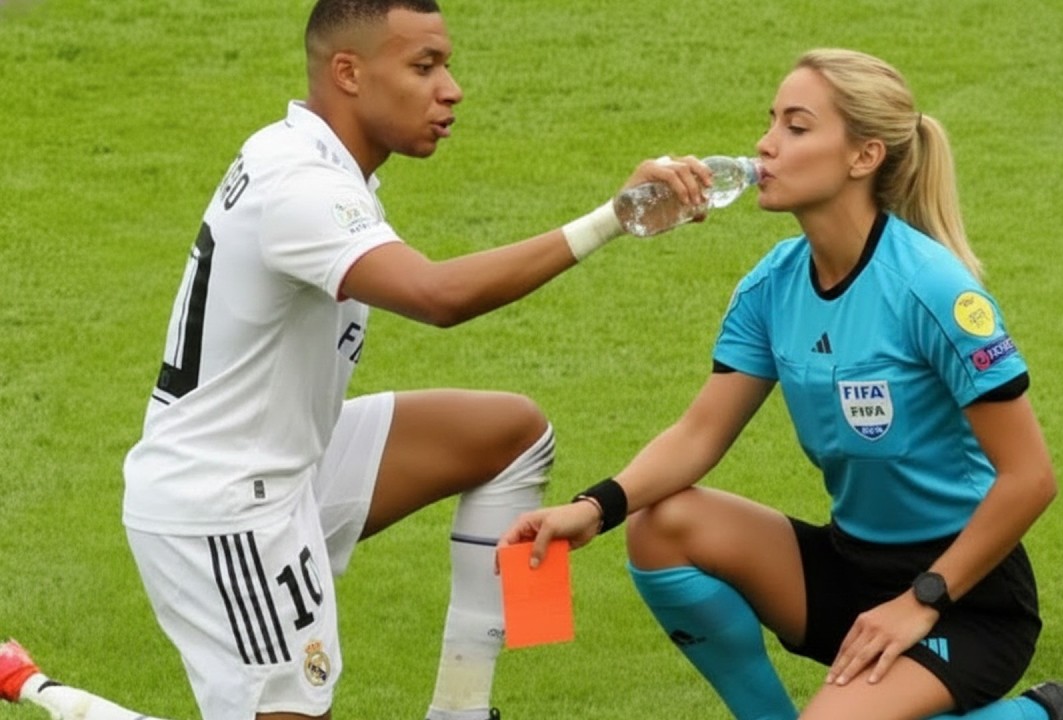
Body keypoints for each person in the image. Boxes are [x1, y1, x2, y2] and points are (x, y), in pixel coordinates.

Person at [1, 2, 716, 720]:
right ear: (348, 72)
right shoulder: (300, 185)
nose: (452, 89)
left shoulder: (307, 156)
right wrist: (615, 217)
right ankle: (49, 696)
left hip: (289, 459)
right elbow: (438, 297)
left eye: (446, 65)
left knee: (509, 434)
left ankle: (462, 711)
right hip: (224, 504)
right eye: (424, 67)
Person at [501, 49, 1063, 720]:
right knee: (661, 525)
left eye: (797, 126)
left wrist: (920, 600)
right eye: (771, 121)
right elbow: (699, 433)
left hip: (964, 599)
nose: (766, 143)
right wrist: (592, 508)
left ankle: (1039, 715)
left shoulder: (931, 289)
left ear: (864, 157)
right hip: (851, 569)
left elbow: (1030, 478)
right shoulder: (774, 284)